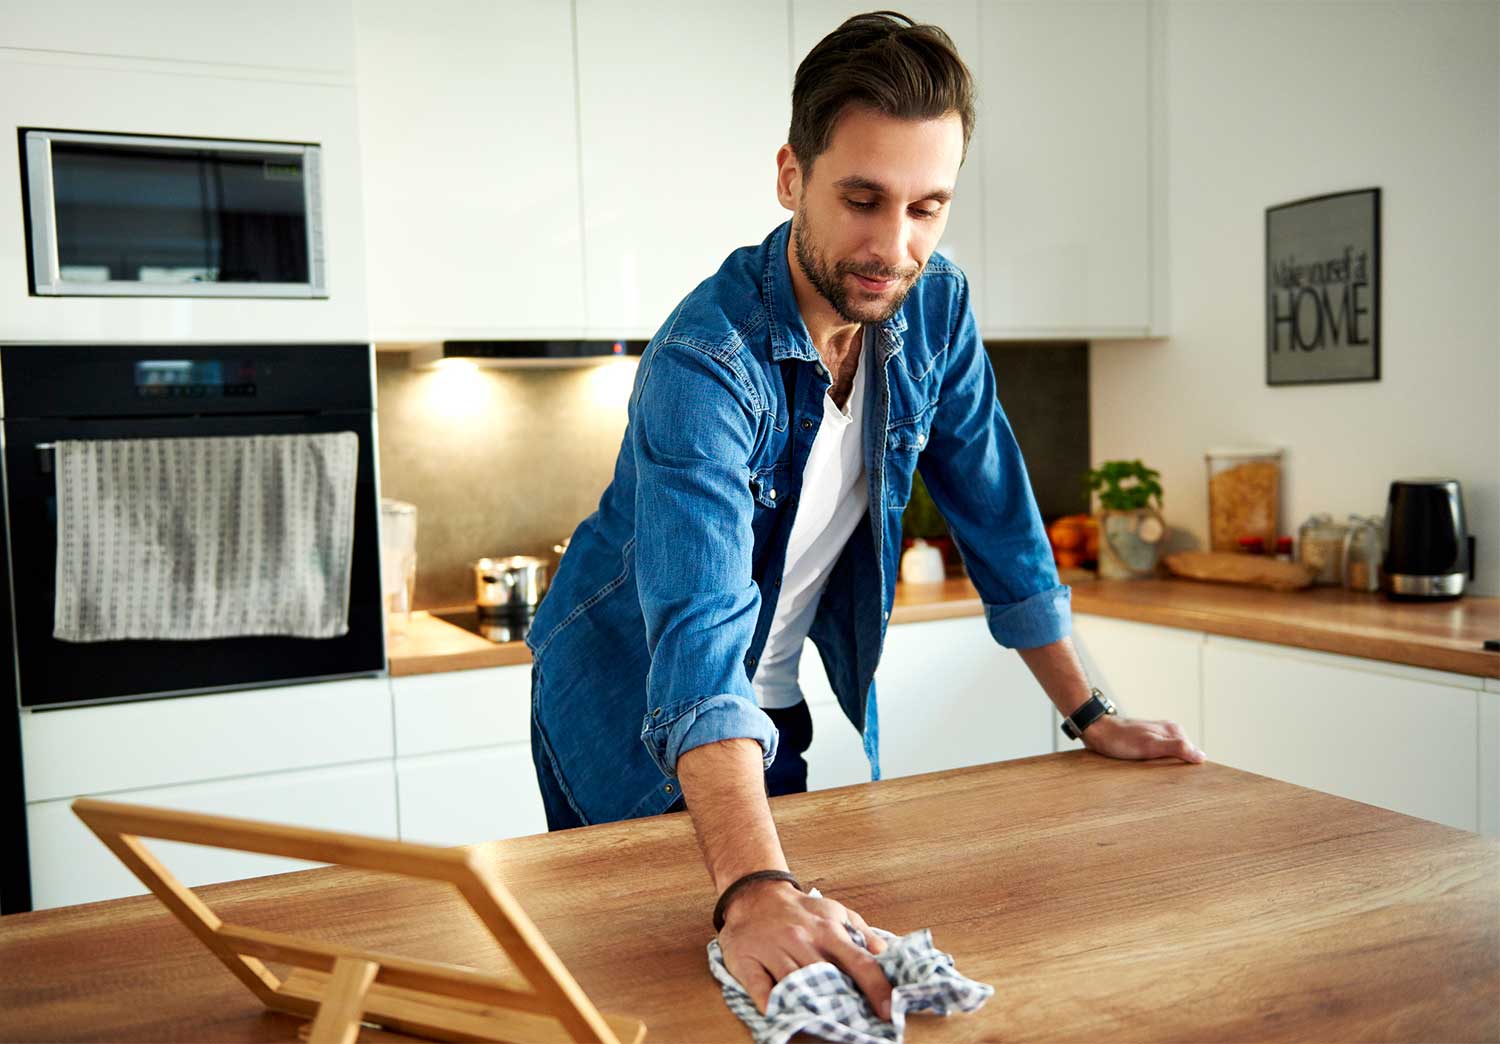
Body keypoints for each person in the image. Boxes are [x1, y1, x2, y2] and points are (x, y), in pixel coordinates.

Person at [526, 10, 1205, 1019]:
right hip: (629, 703)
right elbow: (697, 639)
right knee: (656, 998)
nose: (896, 246)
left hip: (769, 713)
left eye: (928, 207)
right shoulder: (706, 363)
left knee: (789, 987)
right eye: (863, 199)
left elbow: (998, 512)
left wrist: (1088, 712)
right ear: (791, 175)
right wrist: (755, 886)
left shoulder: (932, 306)